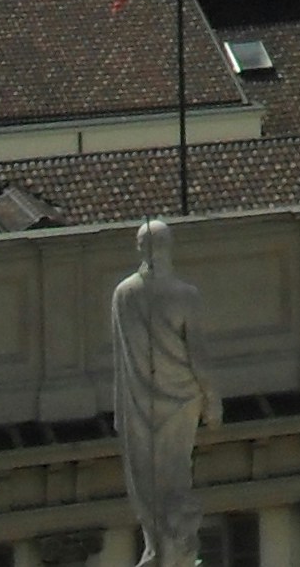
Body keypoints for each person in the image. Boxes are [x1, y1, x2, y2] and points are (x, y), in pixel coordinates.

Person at [111, 220, 221, 567]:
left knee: (149, 488)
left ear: (139, 248)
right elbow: (199, 358)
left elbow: (121, 359)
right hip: (181, 403)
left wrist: (121, 410)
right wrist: (213, 400)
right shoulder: (185, 296)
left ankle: (161, 551)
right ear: (168, 247)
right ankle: (173, 554)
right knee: (175, 483)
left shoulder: (124, 293)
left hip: (139, 405)